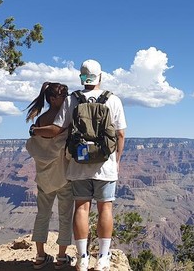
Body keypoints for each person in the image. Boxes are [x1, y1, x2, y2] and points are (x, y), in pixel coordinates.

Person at [32, 59, 126, 271]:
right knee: (105, 208)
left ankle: (82, 258)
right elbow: (120, 134)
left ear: (82, 78)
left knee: (81, 208)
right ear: (100, 77)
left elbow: (57, 129)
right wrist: (117, 161)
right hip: (105, 165)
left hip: (78, 164)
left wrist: (35, 130)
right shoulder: (113, 100)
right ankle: (103, 258)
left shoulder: (72, 99)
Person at [24, 82, 75, 270]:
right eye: (63, 96)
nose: (66, 98)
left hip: (44, 177)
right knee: (65, 216)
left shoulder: (39, 121)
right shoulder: (63, 120)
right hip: (63, 175)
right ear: (52, 99)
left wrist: (34, 130)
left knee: (42, 215)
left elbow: (36, 144)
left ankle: (40, 256)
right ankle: (61, 258)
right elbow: (58, 133)